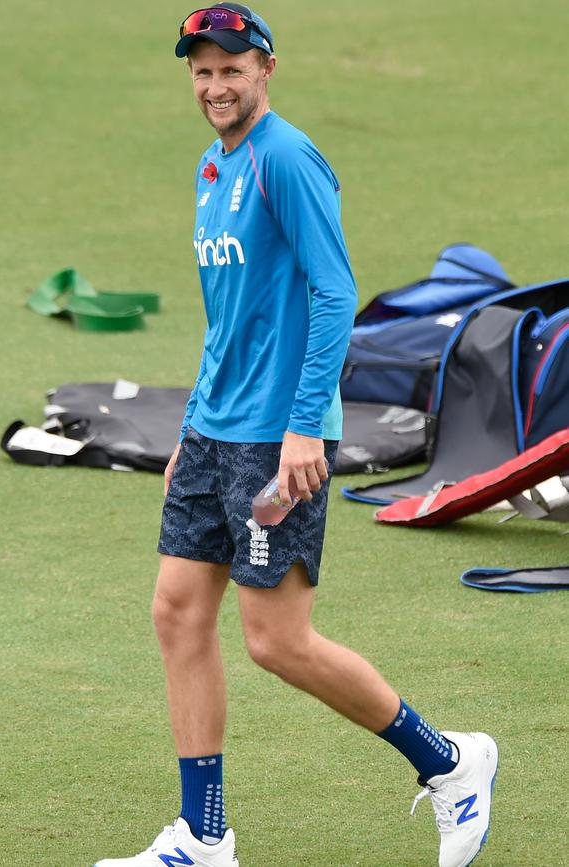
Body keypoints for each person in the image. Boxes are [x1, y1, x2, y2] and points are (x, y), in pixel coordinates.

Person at [94, 5, 498, 866]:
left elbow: (331, 292)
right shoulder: (212, 167)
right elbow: (228, 317)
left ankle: (453, 764)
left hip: (276, 442)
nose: (215, 85)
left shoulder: (286, 157)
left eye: (231, 69)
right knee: (176, 612)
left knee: (277, 640)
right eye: (202, 71)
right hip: (214, 433)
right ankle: (203, 838)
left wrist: (307, 426)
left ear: (266, 70)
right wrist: (191, 425)